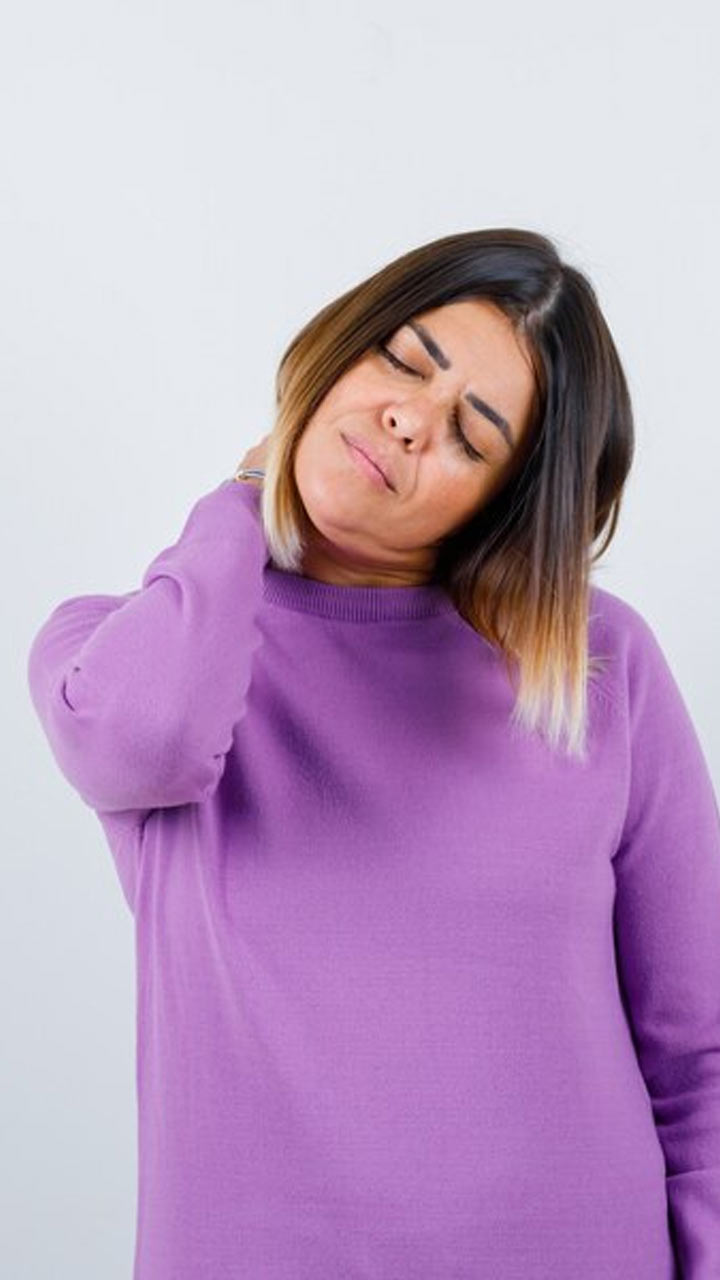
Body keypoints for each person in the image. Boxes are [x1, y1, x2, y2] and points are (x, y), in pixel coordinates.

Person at [26, 228, 720, 1279]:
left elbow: (701, 1051)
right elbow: (146, 742)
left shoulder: (595, 662)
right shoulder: (123, 652)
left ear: (500, 506)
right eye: (401, 359)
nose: (408, 419)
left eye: (470, 436)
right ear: (340, 346)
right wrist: (243, 498)